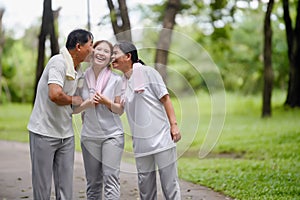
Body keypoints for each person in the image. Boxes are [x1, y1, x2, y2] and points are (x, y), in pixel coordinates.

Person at [27, 29, 94, 200]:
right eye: (91, 45)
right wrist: (74, 99)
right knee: (42, 187)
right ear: (79, 46)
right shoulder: (58, 62)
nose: (92, 50)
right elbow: (55, 94)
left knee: (65, 187)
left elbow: (73, 105)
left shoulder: (78, 70)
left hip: (66, 135)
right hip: (44, 132)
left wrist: (85, 103)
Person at [111, 41, 182, 200]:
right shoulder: (122, 82)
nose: (112, 57)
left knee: (169, 185)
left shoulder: (148, 72)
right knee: (145, 188)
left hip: (161, 139)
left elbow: (165, 99)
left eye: (115, 53)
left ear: (128, 56)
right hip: (141, 144)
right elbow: (119, 109)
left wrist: (174, 125)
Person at [73, 40, 124, 199]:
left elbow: (120, 110)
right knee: (93, 182)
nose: (101, 53)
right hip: (89, 137)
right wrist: (87, 103)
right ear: (92, 52)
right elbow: (74, 109)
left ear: (110, 58)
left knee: (111, 178)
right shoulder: (81, 79)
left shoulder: (117, 80)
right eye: (98, 49)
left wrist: (106, 102)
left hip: (112, 136)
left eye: (107, 51)